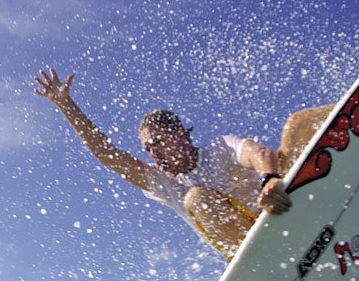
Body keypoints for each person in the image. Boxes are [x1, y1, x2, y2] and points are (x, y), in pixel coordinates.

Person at [35, 67, 332, 260]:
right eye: (148, 149)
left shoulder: (219, 148)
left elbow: (258, 153)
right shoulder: (164, 183)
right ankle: (263, 259)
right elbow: (106, 154)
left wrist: (269, 180)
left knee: (299, 124)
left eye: (158, 143)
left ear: (180, 135)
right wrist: (65, 104)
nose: (154, 154)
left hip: (282, 208)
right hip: (255, 251)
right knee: (197, 197)